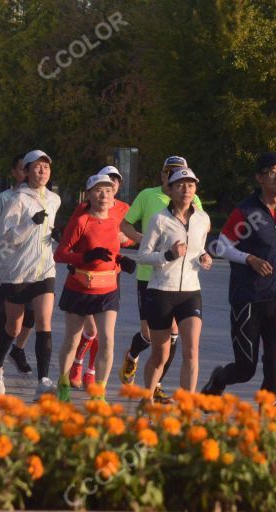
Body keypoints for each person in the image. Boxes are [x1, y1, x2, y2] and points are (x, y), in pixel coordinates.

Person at [202, 151, 276, 399]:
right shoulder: (247, 212)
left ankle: (267, 422)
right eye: (273, 172)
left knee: (274, 369)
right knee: (245, 368)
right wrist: (249, 258)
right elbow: (221, 246)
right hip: (248, 298)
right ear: (259, 178)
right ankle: (218, 380)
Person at [118, 156, 203, 403]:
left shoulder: (194, 202)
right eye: (171, 173)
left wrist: (204, 255)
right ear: (163, 175)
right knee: (149, 334)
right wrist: (146, 240)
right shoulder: (147, 196)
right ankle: (133, 354)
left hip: (184, 283)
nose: (178, 180)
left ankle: (157, 387)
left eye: (183, 175)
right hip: (150, 276)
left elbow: (199, 234)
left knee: (176, 337)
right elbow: (125, 225)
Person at [0, 150, 61, 399]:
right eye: (37, 167)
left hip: (45, 269)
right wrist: (30, 222)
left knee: (44, 322)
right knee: (14, 326)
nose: (42, 172)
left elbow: (46, 232)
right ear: (26, 171)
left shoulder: (54, 199)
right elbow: (5, 237)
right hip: (17, 271)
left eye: (46, 168)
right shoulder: (17, 199)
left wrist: (56, 236)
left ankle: (43, 380)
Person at [138, 168, 211, 400]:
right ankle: (146, 401)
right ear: (169, 189)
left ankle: (187, 406)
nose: (186, 189)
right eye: (180, 185)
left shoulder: (203, 218)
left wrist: (204, 258)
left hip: (190, 292)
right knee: (161, 354)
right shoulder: (159, 219)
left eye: (190, 185)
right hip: (161, 291)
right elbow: (142, 256)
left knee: (192, 351)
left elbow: (200, 250)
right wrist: (167, 256)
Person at [54, 174, 128, 401]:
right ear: (88, 195)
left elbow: (113, 252)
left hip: (107, 288)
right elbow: (60, 255)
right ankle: (64, 383)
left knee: (107, 339)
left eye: (108, 189)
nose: (104, 195)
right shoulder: (81, 221)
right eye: (98, 190)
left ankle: (99, 392)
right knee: (73, 338)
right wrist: (86, 256)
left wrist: (123, 261)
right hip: (80, 286)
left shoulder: (117, 222)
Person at [68, 166, 135, 389]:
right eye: (108, 181)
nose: (112, 185)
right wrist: (78, 259)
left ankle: (92, 371)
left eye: (115, 181)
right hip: (85, 277)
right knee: (91, 330)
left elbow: (129, 238)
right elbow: (74, 239)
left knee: (106, 334)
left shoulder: (124, 208)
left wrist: (123, 242)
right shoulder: (84, 209)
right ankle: (77, 362)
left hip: (111, 276)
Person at [0, 155, 34, 375]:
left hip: (35, 264)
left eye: (30, 169)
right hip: (9, 262)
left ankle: (18, 349)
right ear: (15, 172)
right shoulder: (5, 198)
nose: (27, 173)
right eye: (23, 169)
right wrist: (19, 226)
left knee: (32, 315)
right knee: (6, 314)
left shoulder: (46, 198)